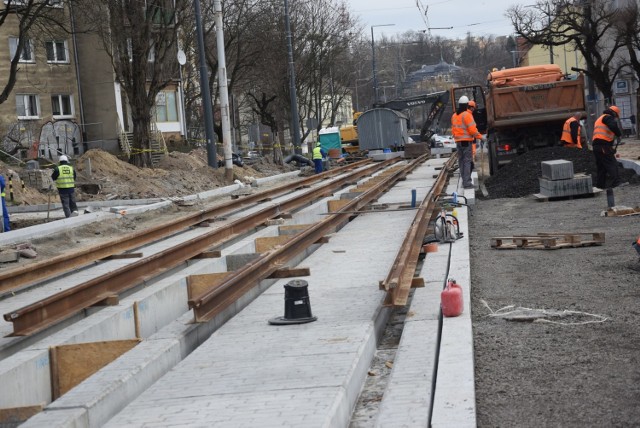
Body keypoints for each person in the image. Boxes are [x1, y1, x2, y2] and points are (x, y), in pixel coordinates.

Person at [451, 95, 483, 189]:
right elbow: (473, 130)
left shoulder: (454, 115)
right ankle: (467, 183)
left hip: (458, 142)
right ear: (466, 105)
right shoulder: (467, 115)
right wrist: (481, 137)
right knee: (467, 161)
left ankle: (464, 181)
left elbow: (453, 129)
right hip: (466, 142)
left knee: (461, 162)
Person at [592, 105, 625, 189]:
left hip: (597, 146)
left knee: (602, 167)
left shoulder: (600, 118)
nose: (616, 118)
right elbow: (613, 126)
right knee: (612, 163)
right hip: (603, 145)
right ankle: (616, 182)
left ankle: (600, 186)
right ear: (614, 113)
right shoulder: (608, 117)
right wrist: (619, 134)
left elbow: (604, 133)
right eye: (616, 116)